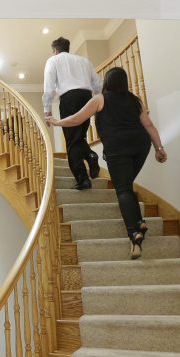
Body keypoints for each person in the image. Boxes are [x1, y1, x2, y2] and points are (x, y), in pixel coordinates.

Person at [46, 66, 168, 259]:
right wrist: (159, 148)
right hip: (140, 145)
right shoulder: (135, 100)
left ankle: (134, 233)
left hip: (118, 148)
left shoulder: (100, 99)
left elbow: (77, 119)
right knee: (126, 186)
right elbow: (149, 125)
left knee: (123, 190)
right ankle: (139, 222)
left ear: (107, 82)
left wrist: (56, 121)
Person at [43, 36, 102, 190]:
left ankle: (83, 179)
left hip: (69, 98)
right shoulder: (84, 61)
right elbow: (98, 84)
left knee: (72, 141)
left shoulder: (53, 60)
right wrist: (100, 103)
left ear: (55, 50)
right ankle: (90, 155)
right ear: (67, 48)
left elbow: (48, 88)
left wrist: (47, 111)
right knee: (79, 136)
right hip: (87, 97)